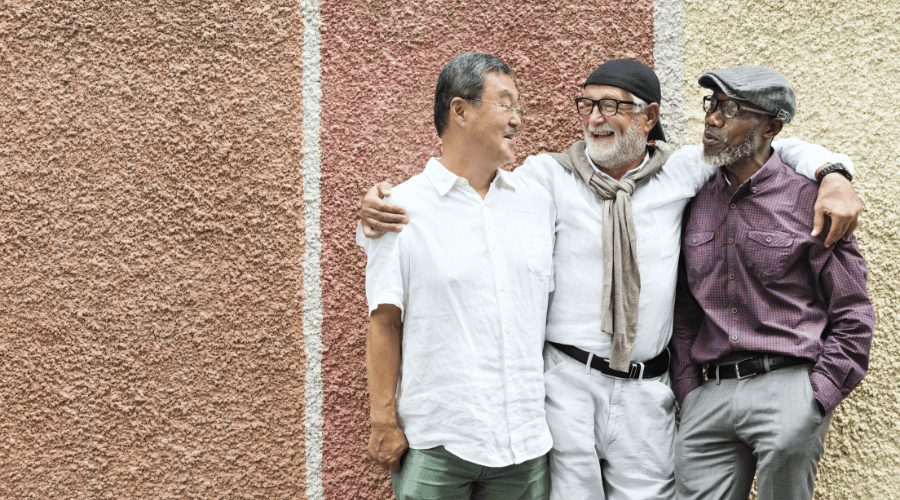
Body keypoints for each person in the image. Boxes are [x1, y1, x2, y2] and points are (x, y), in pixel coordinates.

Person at [359, 59, 862, 499]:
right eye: (588, 105)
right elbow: (467, 186)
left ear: (650, 117)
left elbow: (770, 144)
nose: (596, 118)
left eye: (613, 106)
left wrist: (834, 173)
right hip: (567, 384)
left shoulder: (683, 171)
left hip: (648, 388)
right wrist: (381, 206)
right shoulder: (544, 178)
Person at [670, 65, 875, 500]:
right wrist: (688, 392)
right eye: (711, 105)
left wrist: (816, 397)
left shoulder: (809, 200)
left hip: (789, 389)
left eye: (730, 108)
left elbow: (853, 312)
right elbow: (685, 309)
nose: (712, 119)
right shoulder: (693, 198)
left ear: (771, 125)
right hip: (710, 394)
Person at [360, 52, 554, 500]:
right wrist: (382, 421)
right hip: (438, 444)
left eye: (519, 108)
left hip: (524, 442)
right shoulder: (399, 209)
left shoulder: (538, 201)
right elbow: (384, 320)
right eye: (506, 104)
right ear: (460, 110)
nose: (517, 120)